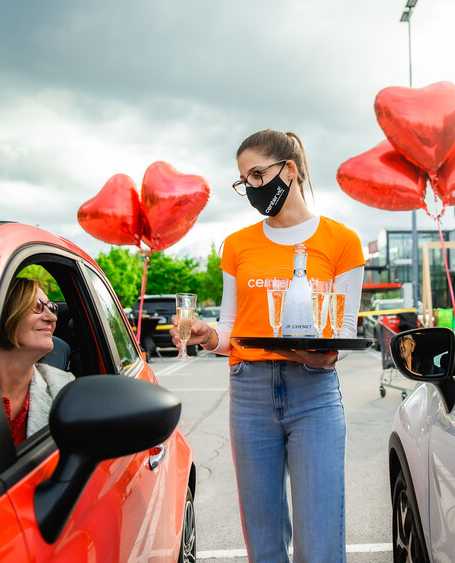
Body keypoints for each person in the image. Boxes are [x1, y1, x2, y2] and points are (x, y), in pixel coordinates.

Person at [173, 128, 365, 562]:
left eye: (258, 174)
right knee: (263, 541)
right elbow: (230, 330)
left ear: (289, 170)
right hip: (250, 392)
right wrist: (206, 336)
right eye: (245, 181)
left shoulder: (342, 241)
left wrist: (324, 352)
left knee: (320, 543)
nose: (252, 189)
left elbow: (345, 328)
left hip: (313, 391)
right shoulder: (238, 245)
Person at [0, 277, 75, 445]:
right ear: (5, 313)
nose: (53, 318)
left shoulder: (64, 390)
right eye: (37, 306)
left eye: (52, 308)